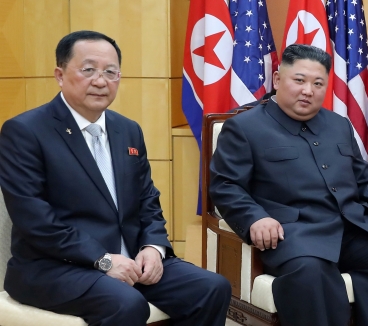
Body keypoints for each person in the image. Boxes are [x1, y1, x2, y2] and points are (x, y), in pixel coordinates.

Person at [0, 30, 231, 325]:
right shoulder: (26, 131)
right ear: (60, 75)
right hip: (54, 267)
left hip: (130, 258)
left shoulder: (128, 129)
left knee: (212, 288)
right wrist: (103, 259)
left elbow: (148, 199)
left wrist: (153, 247)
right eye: (88, 70)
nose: (100, 81)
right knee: (127, 304)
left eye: (111, 72)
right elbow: (36, 220)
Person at [209, 44, 368, 326]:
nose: (308, 91)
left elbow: (364, 179)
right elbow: (226, 186)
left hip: (351, 228)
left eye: (318, 83)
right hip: (295, 235)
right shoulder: (244, 128)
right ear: (278, 80)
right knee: (311, 277)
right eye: (299, 80)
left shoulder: (338, 124)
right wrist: (255, 218)